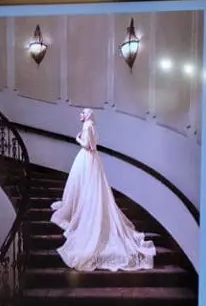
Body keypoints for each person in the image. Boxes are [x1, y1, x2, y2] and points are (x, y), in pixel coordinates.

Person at [50, 108, 156, 272]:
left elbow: (90, 146)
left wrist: (78, 139)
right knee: (89, 187)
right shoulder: (90, 125)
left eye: (83, 113)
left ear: (87, 115)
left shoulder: (88, 126)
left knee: (86, 186)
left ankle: (83, 211)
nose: (80, 115)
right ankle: (82, 206)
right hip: (91, 160)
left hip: (88, 157)